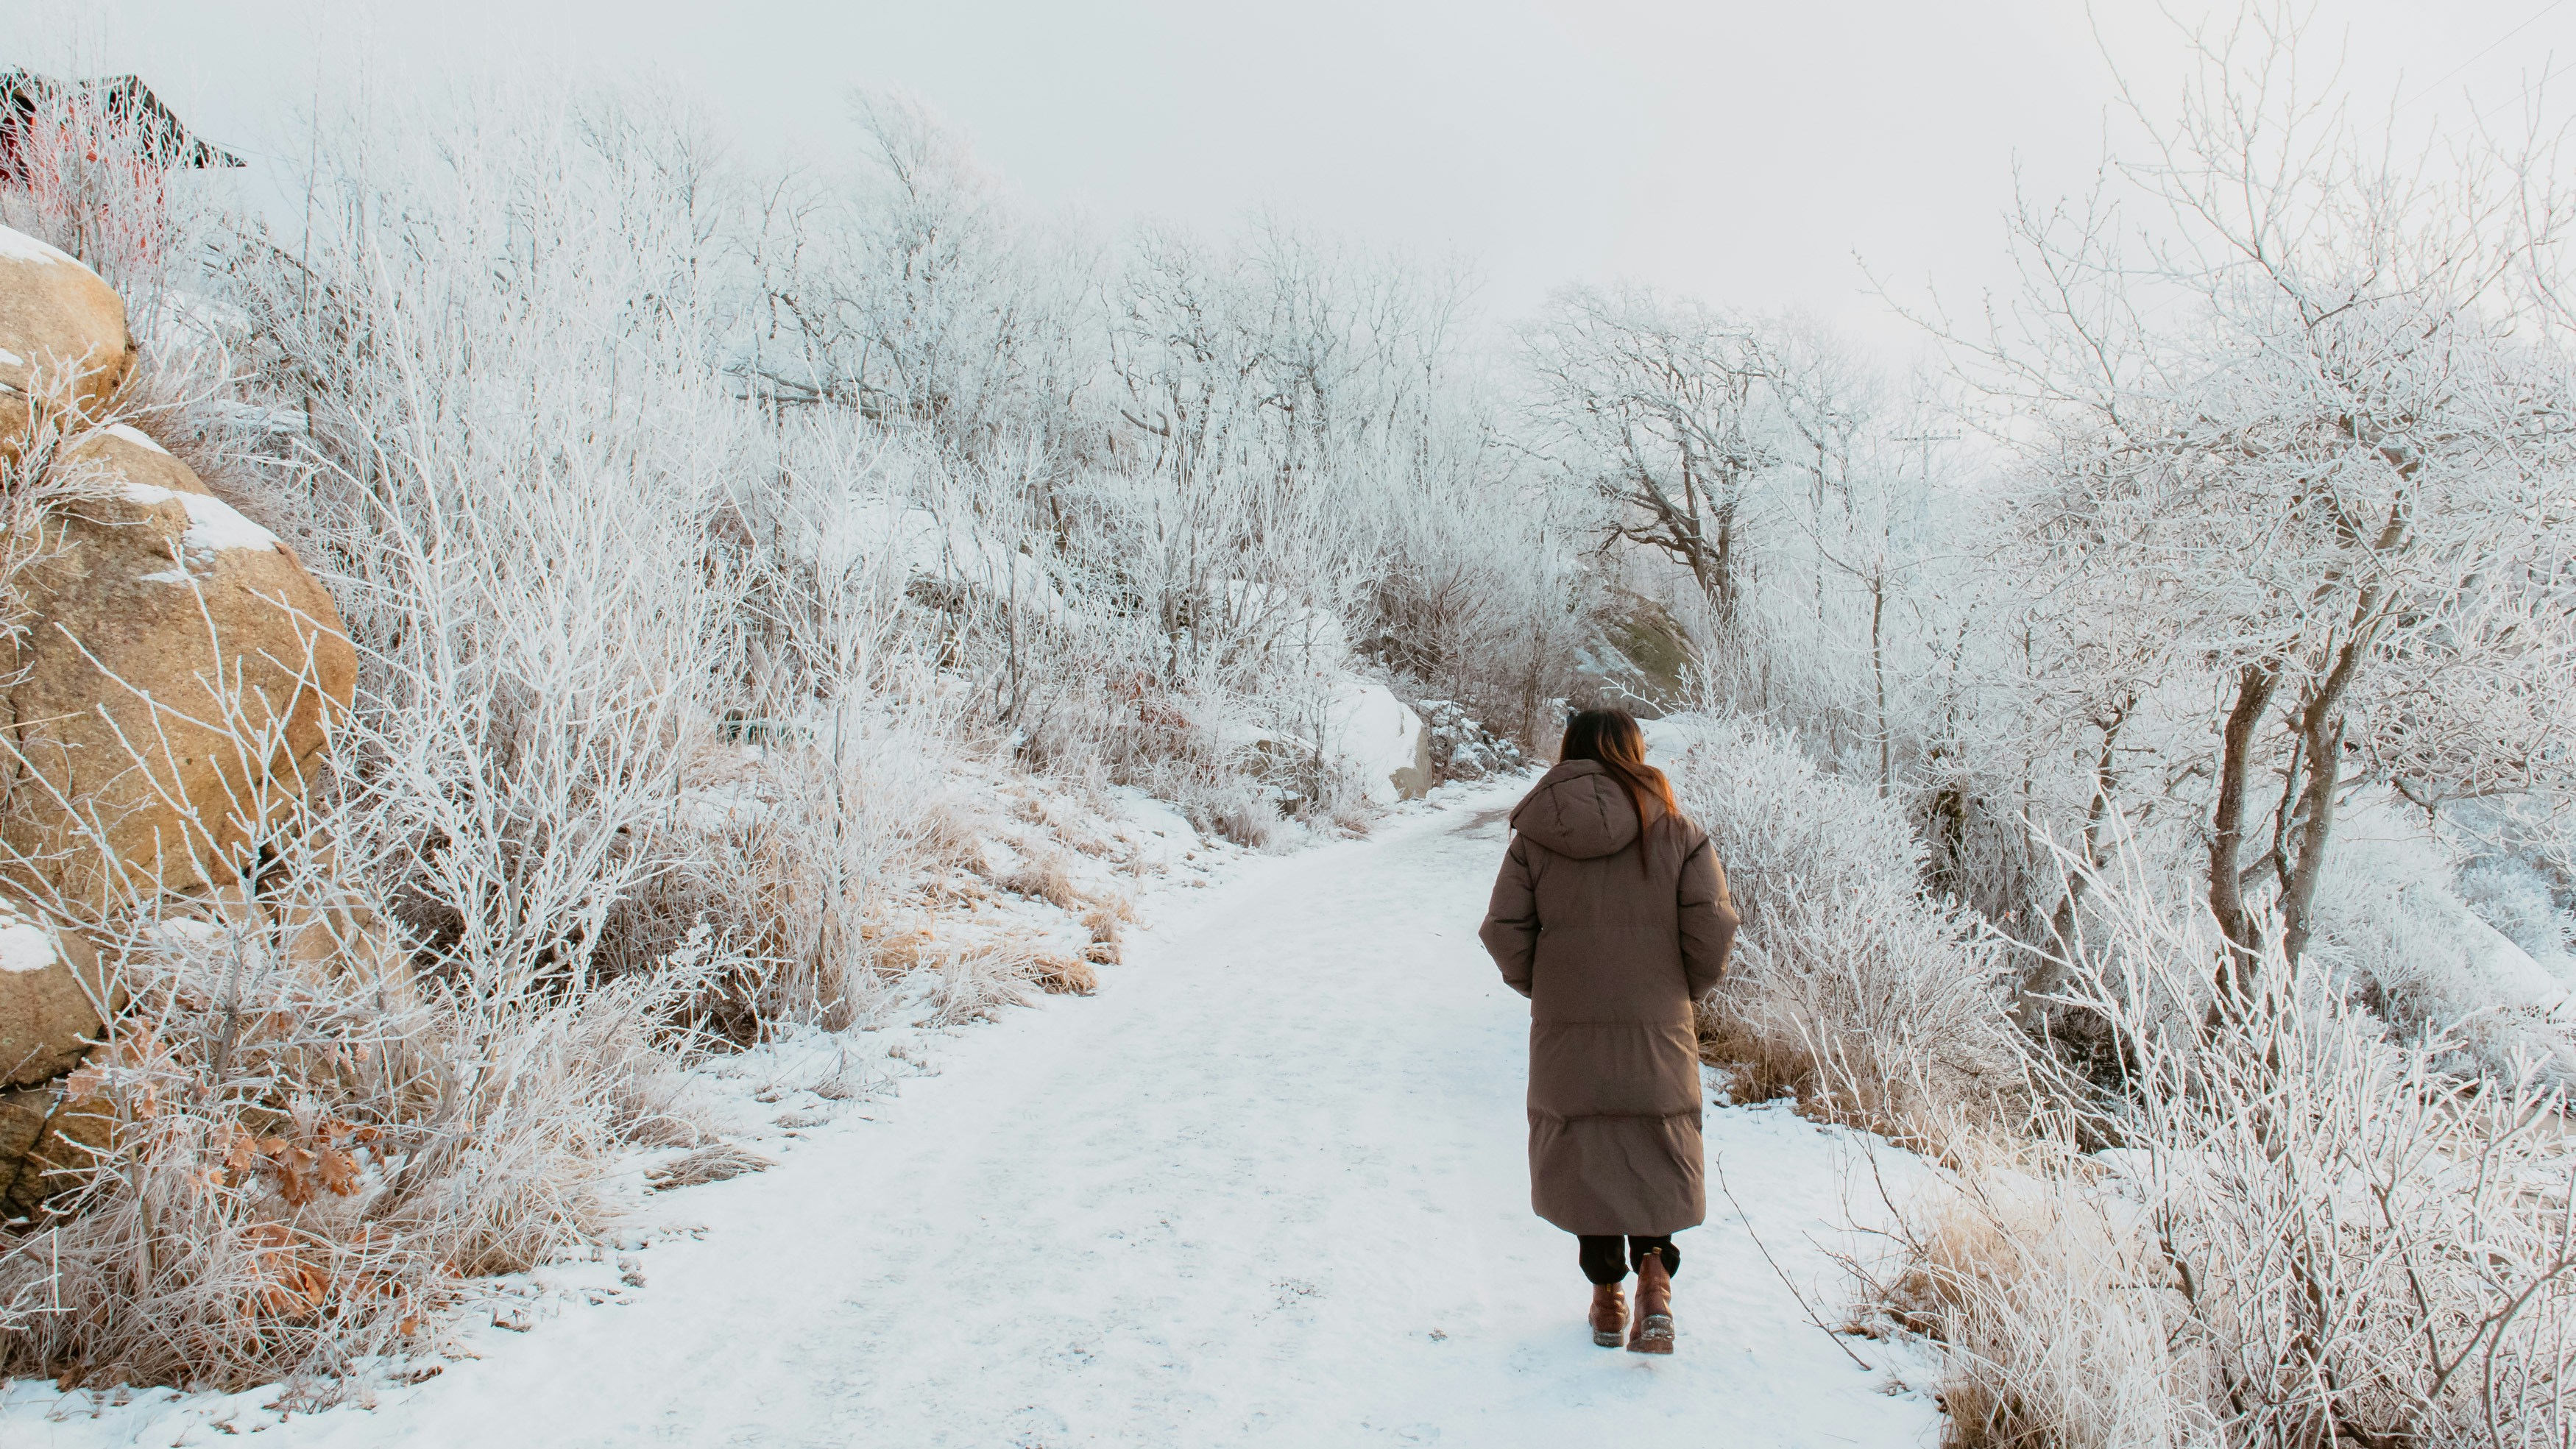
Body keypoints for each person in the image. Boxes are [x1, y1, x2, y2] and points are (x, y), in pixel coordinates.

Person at [1477, 707, 1738, 1354]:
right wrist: (1682, 993)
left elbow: (1503, 931)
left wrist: (1551, 988)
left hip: (1569, 1030)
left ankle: (1605, 1299)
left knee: (1588, 1151)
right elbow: (1713, 930)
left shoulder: (1537, 837)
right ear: (1635, 751)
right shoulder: (1677, 831)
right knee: (1654, 1140)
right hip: (1658, 1027)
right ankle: (1655, 1285)